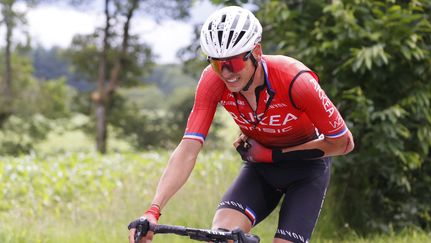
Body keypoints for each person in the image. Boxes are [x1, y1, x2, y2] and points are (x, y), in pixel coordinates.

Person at [128, 5, 354, 243]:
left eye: (233, 63)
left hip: (307, 170)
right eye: (217, 63)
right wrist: (153, 210)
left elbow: (343, 143)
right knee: (223, 238)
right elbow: (188, 149)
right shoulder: (212, 81)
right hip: (260, 169)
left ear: (256, 51)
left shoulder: (295, 81)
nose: (226, 73)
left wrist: (272, 154)